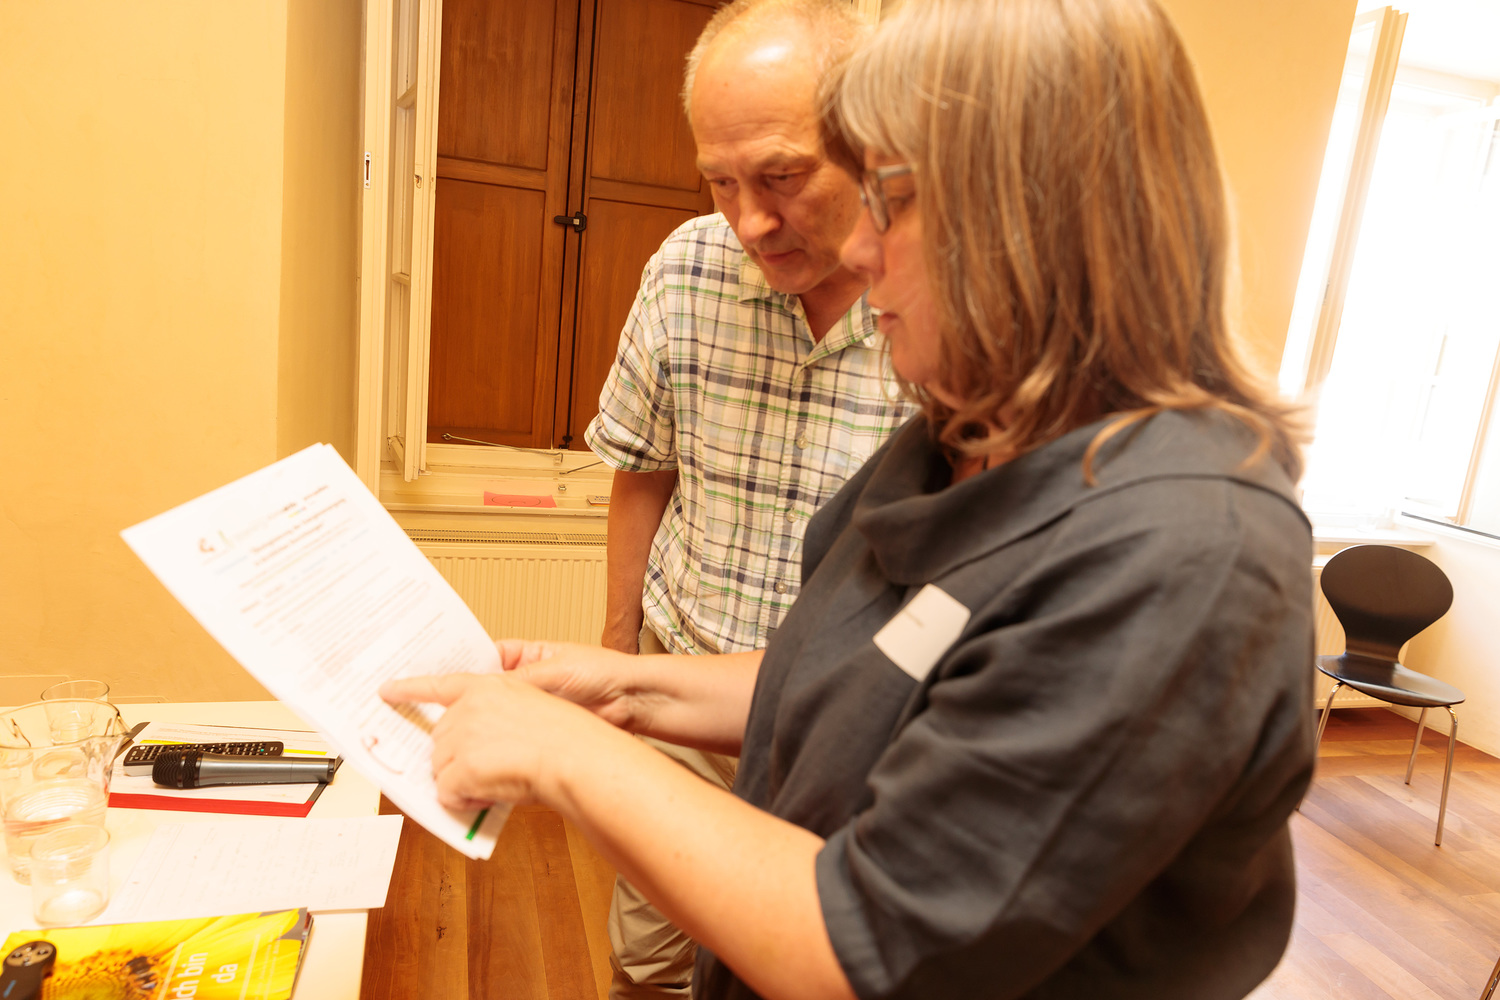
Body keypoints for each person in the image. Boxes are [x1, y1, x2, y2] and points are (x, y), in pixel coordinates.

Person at [383, 0, 1316, 997]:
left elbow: (871, 943)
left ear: (1034, 217)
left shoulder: (1184, 549)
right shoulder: (961, 434)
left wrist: (567, 755)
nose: (861, 249)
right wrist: (624, 689)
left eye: (893, 201)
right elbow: (861, 676)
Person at [584, 1, 913, 995]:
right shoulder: (685, 270)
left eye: (781, 176)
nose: (750, 222)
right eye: (721, 182)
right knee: (647, 959)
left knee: (801, 963)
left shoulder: (933, 309)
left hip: (849, 724)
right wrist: (619, 658)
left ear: (871, 143)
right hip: (684, 674)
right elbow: (643, 468)